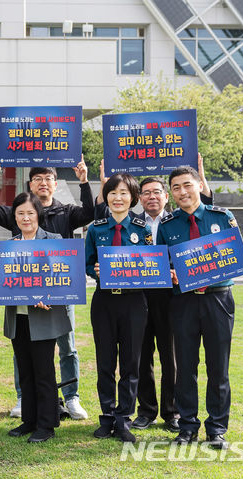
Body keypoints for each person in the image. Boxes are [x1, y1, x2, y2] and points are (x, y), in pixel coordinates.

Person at [93, 155, 213, 433]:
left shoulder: (177, 219)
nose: (151, 197)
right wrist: (104, 186)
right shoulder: (132, 222)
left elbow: (204, 206)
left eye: (156, 191)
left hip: (170, 297)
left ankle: (170, 412)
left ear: (166, 195)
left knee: (169, 356)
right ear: (139, 198)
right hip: (137, 296)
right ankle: (146, 410)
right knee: (140, 355)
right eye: (145, 193)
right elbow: (105, 215)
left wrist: (201, 177)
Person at [0, 154, 92, 420]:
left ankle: (71, 397)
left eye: (48, 179)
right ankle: (24, 397)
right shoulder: (18, 213)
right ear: (30, 184)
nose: (43, 183)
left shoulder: (66, 212)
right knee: (24, 348)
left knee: (67, 347)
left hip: (59, 293)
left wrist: (84, 183)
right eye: (38, 179)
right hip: (23, 294)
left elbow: (90, 213)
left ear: (55, 184)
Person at [156, 166, 243, 449]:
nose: (183, 192)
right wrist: (170, 273)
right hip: (183, 302)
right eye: (176, 188)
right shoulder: (167, 225)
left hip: (218, 300)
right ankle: (187, 427)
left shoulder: (222, 217)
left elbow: (237, 253)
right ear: (171, 194)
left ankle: (216, 429)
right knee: (185, 367)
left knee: (218, 368)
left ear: (199, 185)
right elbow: (163, 265)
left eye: (187, 185)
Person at [85, 172, 152, 443]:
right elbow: (86, 263)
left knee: (130, 363)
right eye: (113, 192)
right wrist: (96, 270)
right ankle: (107, 416)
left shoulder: (142, 229)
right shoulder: (96, 228)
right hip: (104, 300)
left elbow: (153, 265)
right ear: (107, 197)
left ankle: (124, 418)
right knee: (104, 362)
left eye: (124, 193)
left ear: (133, 198)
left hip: (134, 301)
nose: (118, 197)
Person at [4, 192, 73, 443]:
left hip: (45, 317)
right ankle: (29, 420)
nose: (25, 218)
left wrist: (51, 295)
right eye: (20, 213)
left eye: (30, 213)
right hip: (18, 316)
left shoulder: (54, 240)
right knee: (25, 371)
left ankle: (47, 424)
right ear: (15, 216)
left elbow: (66, 278)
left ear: (38, 214)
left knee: (44, 371)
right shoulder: (9, 245)